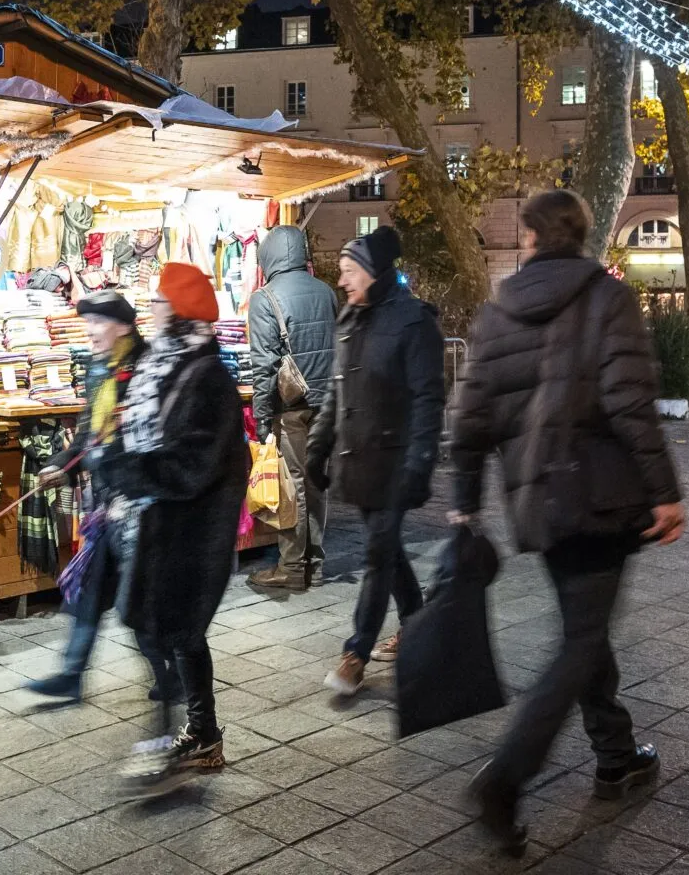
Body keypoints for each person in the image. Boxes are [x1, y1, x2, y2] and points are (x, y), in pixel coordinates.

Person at [447, 190, 686, 854]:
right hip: (604, 495)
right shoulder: (608, 298)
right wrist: (665, 491)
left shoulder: (497, 314)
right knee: (582, 637)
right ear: (579, 235)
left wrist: (465, 498)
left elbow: (468, 422)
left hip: (540, 503)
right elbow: (630, 404)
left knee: (586, 627)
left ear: (529, 238)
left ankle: (615, 754)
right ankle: (507, 776)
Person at [108, 263, 250, 797]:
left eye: (160, 302)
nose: (152, 310)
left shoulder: (206, 376)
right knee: (165, 632)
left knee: (175, 632)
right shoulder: (163, 365)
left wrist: (129, 470)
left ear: (181, 310)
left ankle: (181, 739)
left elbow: (193, 464)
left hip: (192, 529)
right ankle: (198, 735)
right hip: (160, 520)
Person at [308, 225, 444, 697]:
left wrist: (420, 463)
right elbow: (335, 392)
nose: (342, 281)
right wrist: (317, 447)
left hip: (395, 463)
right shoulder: (351, 317)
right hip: (357, 460)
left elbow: (430, 401)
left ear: (373, 271)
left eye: (349, 272)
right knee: (387, 552)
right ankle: (418, 624)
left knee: (376, 554)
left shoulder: (413, 321)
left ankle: (356, 652)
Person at [24, 292, 174, 703]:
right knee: (89, 592)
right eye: (87, 321)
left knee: (136, 603)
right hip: (107, 504)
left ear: (124, 326)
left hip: (141, 507)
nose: (89, 331)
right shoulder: (98, 368)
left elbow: (152, 441)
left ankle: (171, 675)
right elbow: (88, 437)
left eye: (99, 322)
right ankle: (71, 674)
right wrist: (61, 465)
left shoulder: (147, 367)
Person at [245, 225, 338, 592]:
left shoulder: (264, 298)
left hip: (293, 407)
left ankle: (293, 567)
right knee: (317, 484)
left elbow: (264, 366)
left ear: (267, 256)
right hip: (328, 403)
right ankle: (315, 562)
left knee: (294, 485)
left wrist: (262, 417)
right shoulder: (326, 292)